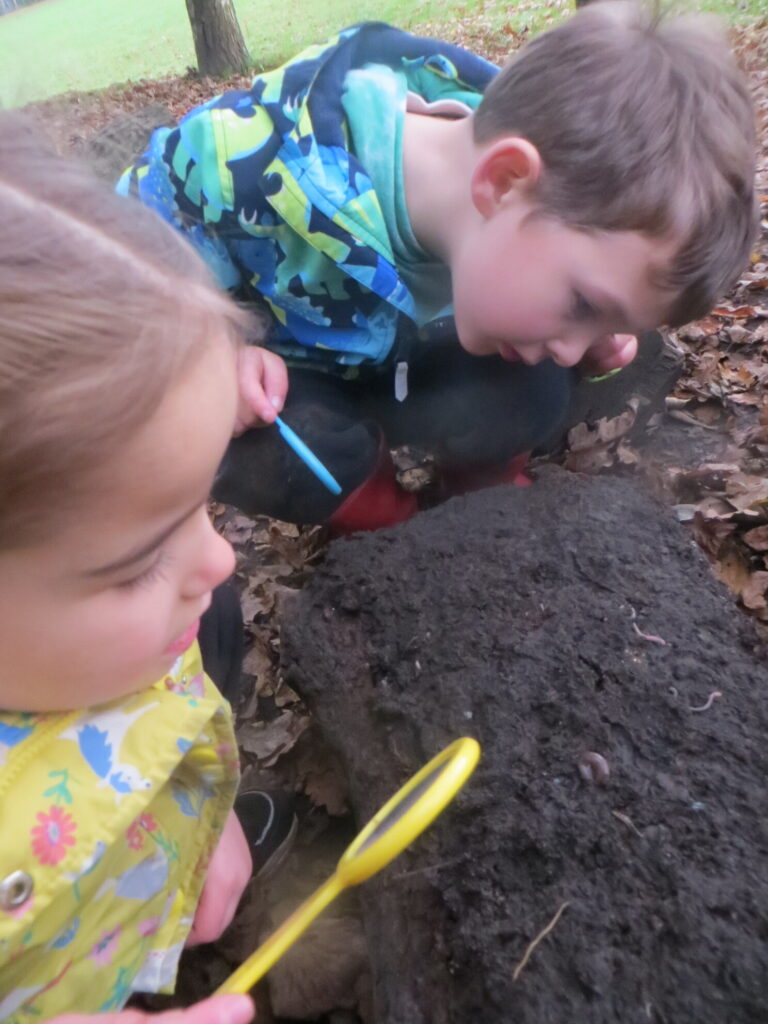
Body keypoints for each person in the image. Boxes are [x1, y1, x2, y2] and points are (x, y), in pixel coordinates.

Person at [119, 1, 755, 533]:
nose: (574, 346)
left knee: (536, 386)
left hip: (423, 360)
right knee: (272, 446)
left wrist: (599, 332)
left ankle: (480, 497)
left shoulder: (542, 193)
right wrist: (210, 346)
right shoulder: (240, 162)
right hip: (300, 377)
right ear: (504, 181)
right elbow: (122, 256)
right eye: (583, 306)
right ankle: (385, 520)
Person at [0, 113, 298, 1022]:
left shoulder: (66, 640)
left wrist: (195, 833)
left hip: (120, 882)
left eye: (203, 504)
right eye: (136, 564)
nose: (218, 555)